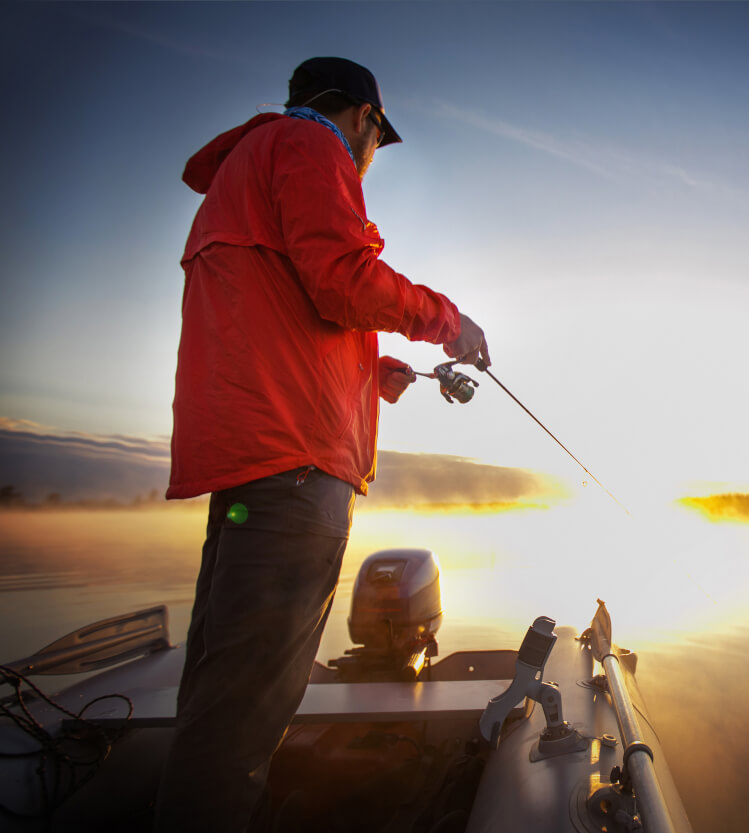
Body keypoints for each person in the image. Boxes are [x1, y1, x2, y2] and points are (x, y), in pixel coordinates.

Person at [155, 57, 490, 832]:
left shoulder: (250, 163)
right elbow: (342, 278)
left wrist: (372, 370)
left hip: (256, 466)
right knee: (242, 714)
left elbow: (278, 315)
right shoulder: (311, 149)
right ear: (363, 119)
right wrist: (451, 322)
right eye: (377, 136)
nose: (371, 155)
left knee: (219, 691)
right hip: (296, 472)